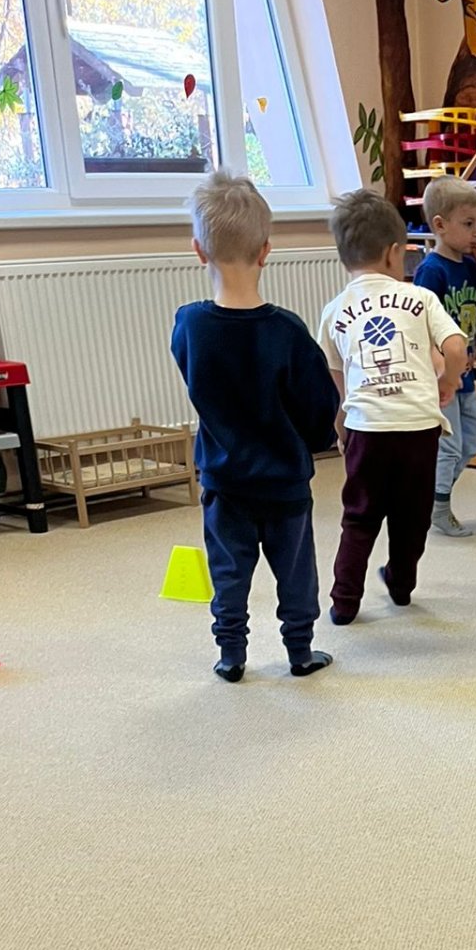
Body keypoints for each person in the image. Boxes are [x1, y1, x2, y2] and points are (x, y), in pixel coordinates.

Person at [171, 171, 340, 682]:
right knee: (296, 570)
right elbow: (319, 404)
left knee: (228, 569)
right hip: (284, 480)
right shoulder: (287, 330)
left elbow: (198, 381)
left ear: (198, 250)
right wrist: (315, 442)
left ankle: (231, 654)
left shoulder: (190, 325)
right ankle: (300, 651)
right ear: (266, 251)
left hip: (224, 481)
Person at [317, 192, 467, 624]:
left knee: (359, 518)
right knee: (411, 516)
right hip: (418, 427)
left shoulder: (334, 311)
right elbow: (456, 348)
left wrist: (343, 428)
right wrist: (447, 382)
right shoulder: (420, 298)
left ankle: (345, 602)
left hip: (367, 429)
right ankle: (401, 585)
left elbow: (338, 381)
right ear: (393, 252)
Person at [413, 176, 476, 538]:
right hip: (441, 377)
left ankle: (430, 494)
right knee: (448, 447)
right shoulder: (431, 270)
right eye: (468, 223)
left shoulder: (470, 267)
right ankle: (439, 507)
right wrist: (440, 371)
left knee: (474, 439)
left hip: (466, 375)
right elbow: (419, 327)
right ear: (440, 225)